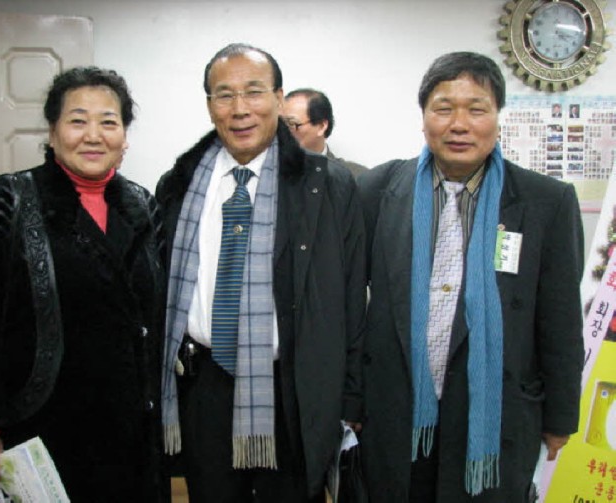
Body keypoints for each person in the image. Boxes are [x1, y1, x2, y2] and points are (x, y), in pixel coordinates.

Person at [358, 51, 584, 502]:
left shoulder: (546, 201)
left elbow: (560, 319)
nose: (459, 125)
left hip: (496, 413)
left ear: (498, 117)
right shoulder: (377, 191)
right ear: (424, 117)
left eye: (476, 109)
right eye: (443, 108)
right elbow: (347, 307)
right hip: (394, 410)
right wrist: (349, 401)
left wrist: (560, 417)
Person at [0, 66, 169, 502]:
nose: (93, 135)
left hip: (132, 429)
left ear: (124, 137)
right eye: (77, 120)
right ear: (52, 132)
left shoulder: (142, 204)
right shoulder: (11, 199)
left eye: (108, 122)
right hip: (42, 427)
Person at [155, 43, 366, 503]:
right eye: (224, 95)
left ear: (278, 97)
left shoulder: (326, 185)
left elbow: (352, 298)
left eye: (253, 92)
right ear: (209, 104)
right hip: (203, 383)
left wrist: (351, 397)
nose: (240, 109)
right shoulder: (180, 183)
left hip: (293, 388)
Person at [284, 88, 368, 178]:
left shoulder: (354, 176)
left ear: (321, 126)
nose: (282, 131)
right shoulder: (274, 171)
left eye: (291, 124)